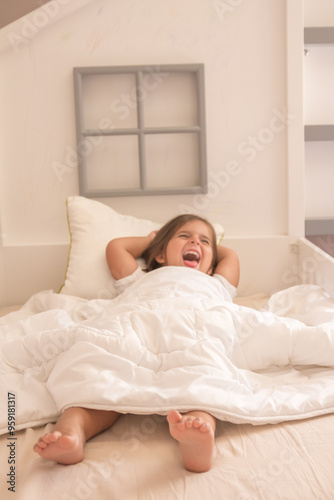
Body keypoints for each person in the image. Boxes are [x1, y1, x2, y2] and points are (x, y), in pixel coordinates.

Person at [33, 214, 240, 473]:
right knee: (96, 368)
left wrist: (197, 246)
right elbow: (116, 247)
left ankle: (199, 429)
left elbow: (230, 256)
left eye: (204, 241)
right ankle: (72, 433)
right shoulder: (140, 279)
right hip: (135, 328)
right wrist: (153, 242)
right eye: (184, 236)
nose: (195, 243)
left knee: (203, 369)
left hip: (192, 329)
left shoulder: (215, 283)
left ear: (211, 266)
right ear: (161, 255)